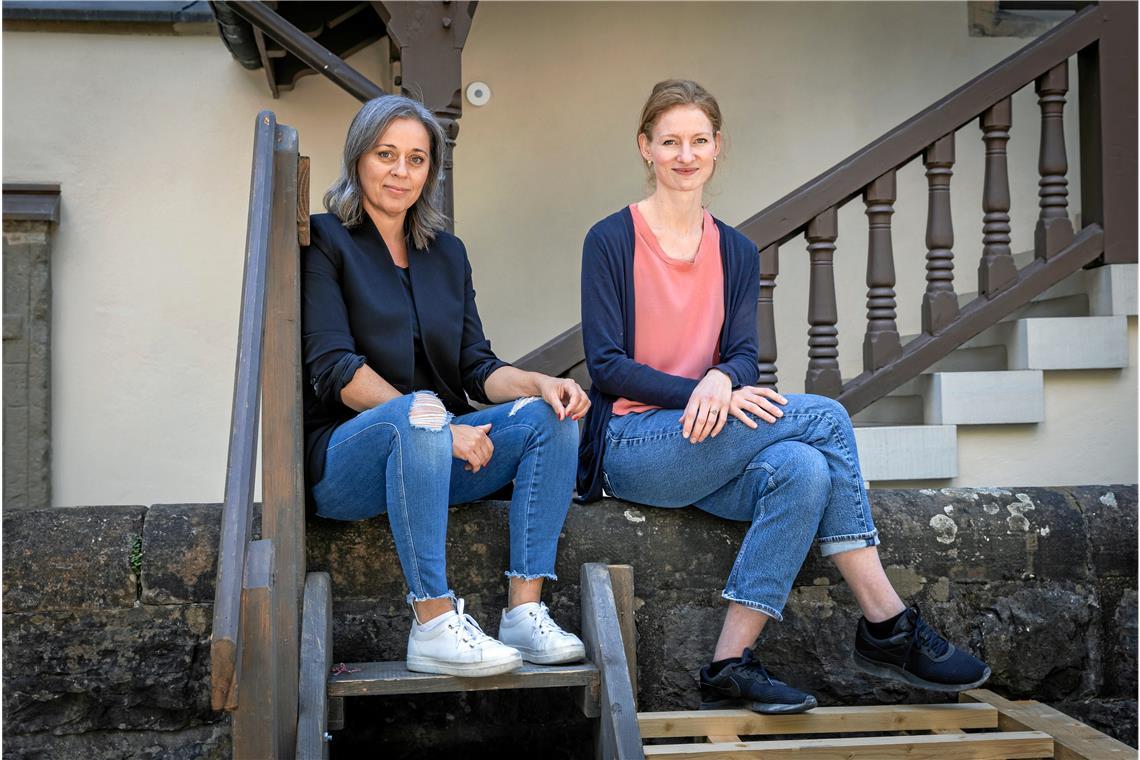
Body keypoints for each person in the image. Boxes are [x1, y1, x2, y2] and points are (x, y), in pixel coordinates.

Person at [577, 79, 990, 713]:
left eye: (698, 141)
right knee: (823, 416)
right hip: (635, 444)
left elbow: (744, 355)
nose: (685, 156)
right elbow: (605, 366)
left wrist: (723, 378)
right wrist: (701, 387)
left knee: (802, 469)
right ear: (646, 148)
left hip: (708, 442)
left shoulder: (737, 250)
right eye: (669, 142)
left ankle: (728, 663)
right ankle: (887, 621)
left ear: (718, 147)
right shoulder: (610, 240)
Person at [303, 94, 589, 677]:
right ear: (358, 157)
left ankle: (523, 613)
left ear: (430, 170)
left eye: (416, 158)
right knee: (423, 416)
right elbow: (333, 367)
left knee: (548, 417)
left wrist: (538, 382)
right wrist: (433, 422)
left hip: (440, 446)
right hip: (347, 457)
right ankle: (433, 622)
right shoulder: (323, 241)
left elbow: (474, 366)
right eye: (386, 154)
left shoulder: (447, 253)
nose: (400, 171)